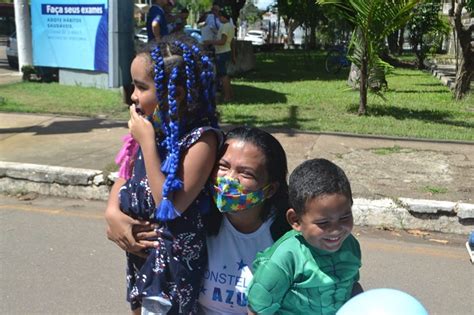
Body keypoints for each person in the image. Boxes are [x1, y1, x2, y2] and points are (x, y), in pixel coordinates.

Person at [105, 35, 221, 315]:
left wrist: (146, 141)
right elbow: (126, 174)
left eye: (141, 87)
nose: (133, 95)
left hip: (173, 265)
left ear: (176, 93)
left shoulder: (201, 141)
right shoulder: (154, 128)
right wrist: (112, 212)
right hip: (141, 255)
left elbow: (168, 205)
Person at [247, 158, 362, 315]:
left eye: (344, 217)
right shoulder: (284, 259)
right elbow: (256, 310)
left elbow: (352, 285)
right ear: (295, 220)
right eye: (323, 222)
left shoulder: (350, 245)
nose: (336, 230)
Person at [198, 126, 291, 314]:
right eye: (223, 166)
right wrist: (119, 217)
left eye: (246, 173)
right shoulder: (196, 221)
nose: (229, 179)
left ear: (271, 189)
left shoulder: (288, 237)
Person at [203, 8, 234, 102]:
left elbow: (222, 41)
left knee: (223, 75)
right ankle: (230, 94)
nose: (219, 19)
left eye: (219, 17)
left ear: (223, 17)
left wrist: (210, 42)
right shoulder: (230, 26)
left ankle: (227, 96)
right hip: (226, 51)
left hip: (222, 52)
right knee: (225, 75)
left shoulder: (225, 27)